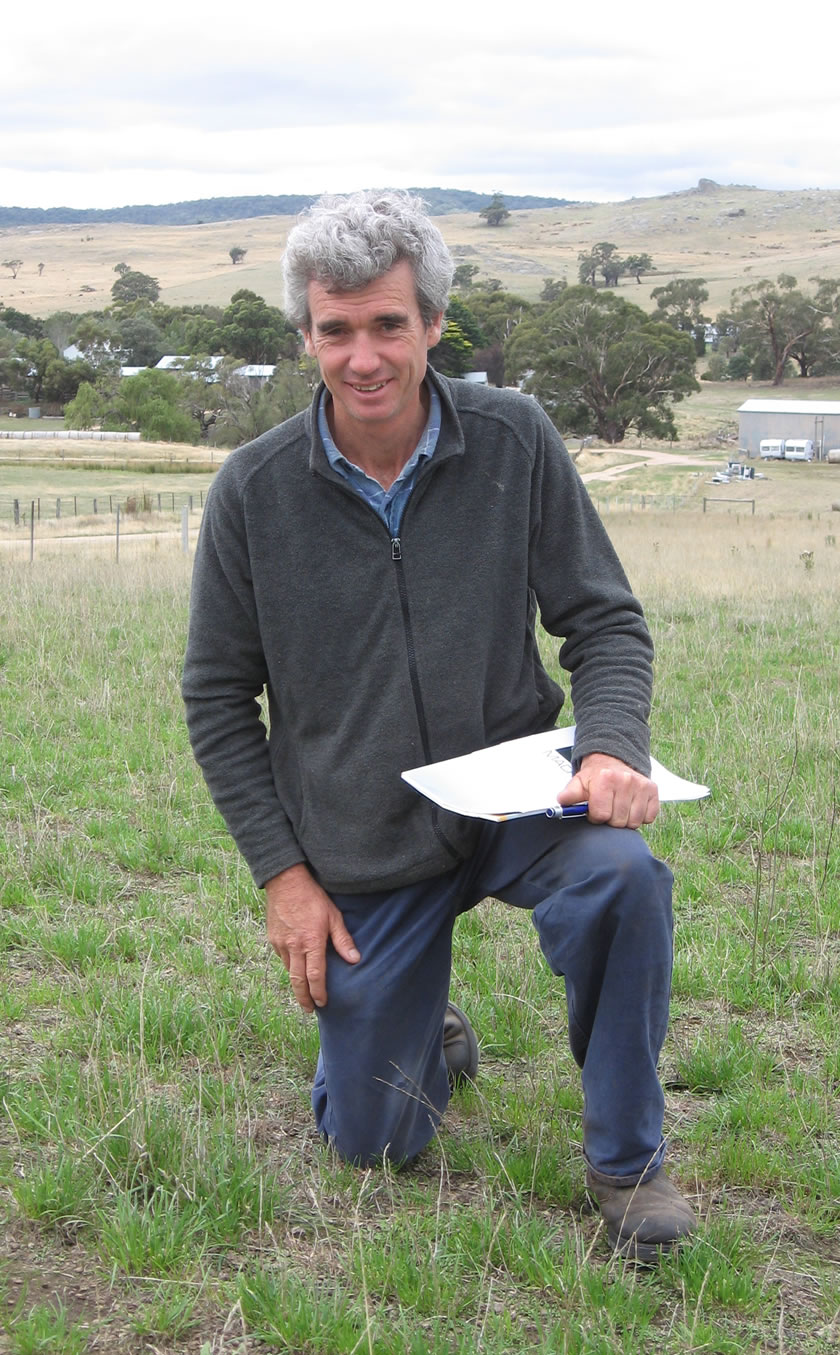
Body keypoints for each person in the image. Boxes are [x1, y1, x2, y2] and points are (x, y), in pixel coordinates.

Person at [182, 191, 696, 1262]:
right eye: (335, 328)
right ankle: (427, 1032)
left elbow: (602, 622)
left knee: (622, 879)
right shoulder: (252, 490)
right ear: (305, 333)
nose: (362, 356)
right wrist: (283, 876)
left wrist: (607, 746)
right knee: (370, 1141)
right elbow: (217, 699)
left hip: (516, 796)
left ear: (429, 324)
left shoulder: (514, 440)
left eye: (386, 324)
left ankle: (627, 1164)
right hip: (359, 833)